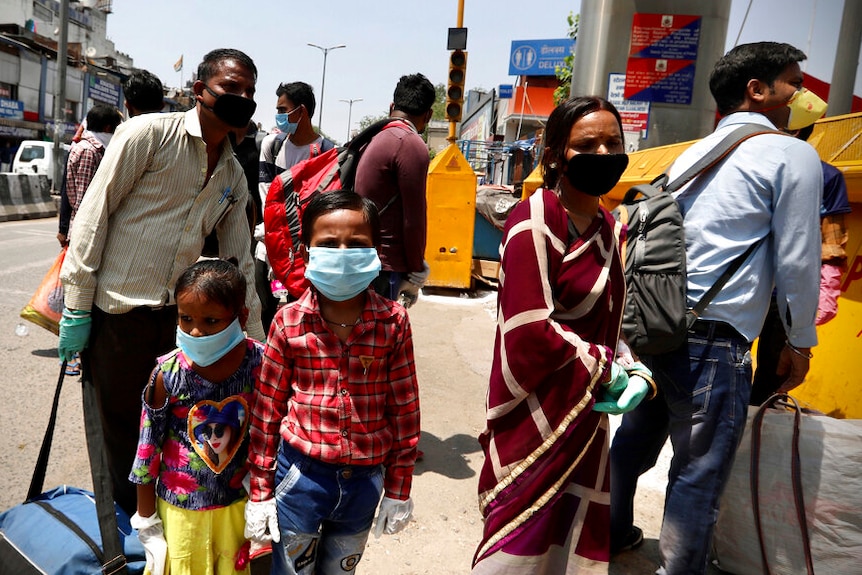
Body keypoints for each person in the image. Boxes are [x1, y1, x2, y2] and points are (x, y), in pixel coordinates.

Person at [609, 42, 824, 575]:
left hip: (658, 325)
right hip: (717, 340)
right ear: (758, 90)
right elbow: (799, 258)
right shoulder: (792, 154)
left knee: (635, 439)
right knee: (699, 470)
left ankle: (609, 532)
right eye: (795, 83)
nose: (806, 95)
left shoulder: (694, 153)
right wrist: (800, 342)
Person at [58, 48, 264, 516]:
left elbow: (240, 267)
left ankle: (156, 530)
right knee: (119, 435)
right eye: (231, 88)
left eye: (250, 91)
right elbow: (94, 215)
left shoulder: (232, 174)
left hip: (179, 327)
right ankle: (121, 537)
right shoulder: (148, 135)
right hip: (118, 317)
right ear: (199, 91)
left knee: (165, 436)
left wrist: (257, 343)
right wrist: (77, 303)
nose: (243, 99)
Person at [472, 96, 653, 574]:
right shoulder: (534, 222)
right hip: (536, 416)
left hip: (586, 418)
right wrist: (606, 366)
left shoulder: (610, 228)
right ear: (554, 155)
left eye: (613, 143)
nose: (602, 154)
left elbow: (610, 321)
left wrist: (629, 364)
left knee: (571, 546)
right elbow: (529, 330)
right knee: (519, 546)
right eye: (586, 144)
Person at [245, 190, 420, 575]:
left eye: (356, 244)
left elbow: (405, 411)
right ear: (307, 253)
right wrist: (260, 491)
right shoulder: (288, 322)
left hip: (364, 483)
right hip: (300, 478)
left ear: (375, 252)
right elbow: (267, 412)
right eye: (328, 244)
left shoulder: (393, 322)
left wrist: (398, 487)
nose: (342, 253)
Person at [129, 259, 264, 575]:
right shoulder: (168, 374)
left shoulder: (260, 363)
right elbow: (147, 451)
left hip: (239, 507)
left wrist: (264, 498)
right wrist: (147, 523)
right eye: (185, 318)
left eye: (211, 320)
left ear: (241, 317)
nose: (195, 331)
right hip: (182, 515)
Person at [751, 122, 851, 406]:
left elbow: (831, 245)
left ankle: (757, 435)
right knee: (729, 365)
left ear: (791, 131)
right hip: (745, 287)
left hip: (786, 296)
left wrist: (827, 294)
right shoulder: (751, 168)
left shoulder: (827, 177)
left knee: (773, 376)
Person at [255, 81, 335, 330]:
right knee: (262, 308)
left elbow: (322, 206)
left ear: (301, 111)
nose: (278, 116)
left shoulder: (325, 151)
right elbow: (267, 196)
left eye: (283, 109)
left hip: (303, 252)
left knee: (301, 311)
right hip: (269, 245)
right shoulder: (272, 145)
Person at [354, 73, 435, 307]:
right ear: (428, 115)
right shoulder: (411, 143)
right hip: (385, 267)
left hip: (364, 258)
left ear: (392, 107)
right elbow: (414, 218)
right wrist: (416, 268)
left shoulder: (376, 137)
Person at [59, 104, 123, 243]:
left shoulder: (97, 149)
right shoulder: (89, 151)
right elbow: (83, 199)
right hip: (84, 232)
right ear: (107, 128)